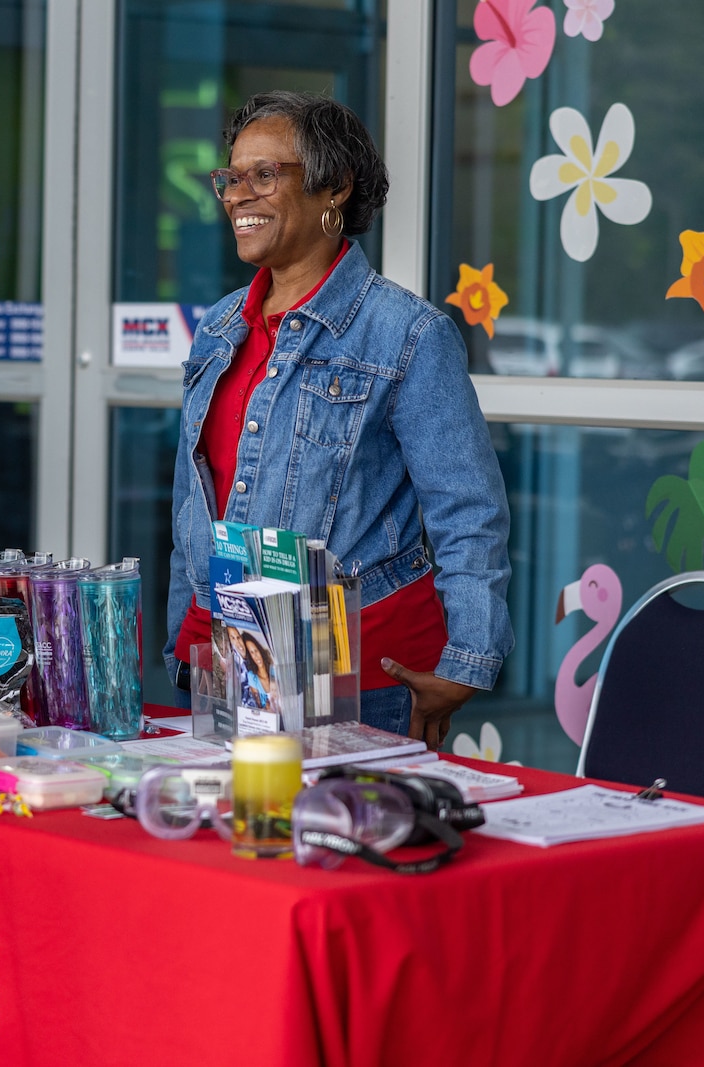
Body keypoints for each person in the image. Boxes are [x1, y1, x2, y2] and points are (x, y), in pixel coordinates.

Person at [165, 91, 512, 748]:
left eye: (264, 174)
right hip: (230, 648)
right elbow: (194, 502)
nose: (237, 195)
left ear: (335, 189)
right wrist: (186, 630)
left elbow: (468, 511)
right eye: (230, 178)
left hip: (358, 669)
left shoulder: (407, 334)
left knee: (329, 845)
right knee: (237, 844)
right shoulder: (218, 326)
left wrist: (468, 658)